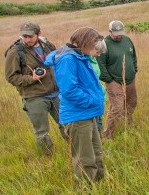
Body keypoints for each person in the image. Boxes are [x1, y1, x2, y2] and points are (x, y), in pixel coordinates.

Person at [45, 27, 105, 184]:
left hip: (87, 113)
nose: (95, 48)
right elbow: (70, 91)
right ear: (82, 42)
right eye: (93, 43)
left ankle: (100, 183)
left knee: (96, 152)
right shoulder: (67, 60)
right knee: (85, 158)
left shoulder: (79, 56)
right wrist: (91, 101)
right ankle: (87, 188)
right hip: (78, 116)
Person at [4, 21, 67, 155]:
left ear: (39, 34)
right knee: (42, 132)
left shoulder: (48, 45)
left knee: (67, 124)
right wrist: (31, 78)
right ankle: (49, 159)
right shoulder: (15, 52)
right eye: (24, 36)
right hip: (34, 97)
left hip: (56, 94)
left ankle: (75, 149)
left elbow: (57, 64)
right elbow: (11, 77)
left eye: (30, 36)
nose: (27, 39)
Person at [97, 20, 138, 139]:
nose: (119, 35)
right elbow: (101, 65)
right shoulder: (104, 44)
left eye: (121, 32)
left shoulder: (127, 40)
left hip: (130, 79)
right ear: (110, 31)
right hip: (114, 81)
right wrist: (109, 80)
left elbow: (133, 55)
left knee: (132, 102)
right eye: (116, 33)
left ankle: (127, 124)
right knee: (117, 108)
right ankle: (108, 135)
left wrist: (134, 68)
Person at [88, 39, 107, 135]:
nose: (99, 55)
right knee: (94, 127)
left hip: (98, 98)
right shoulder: (84, 61)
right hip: (91, 100)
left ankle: (99, 147)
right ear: (90, 48)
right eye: (98, 52)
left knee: (99, 124)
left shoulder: (93, 59)